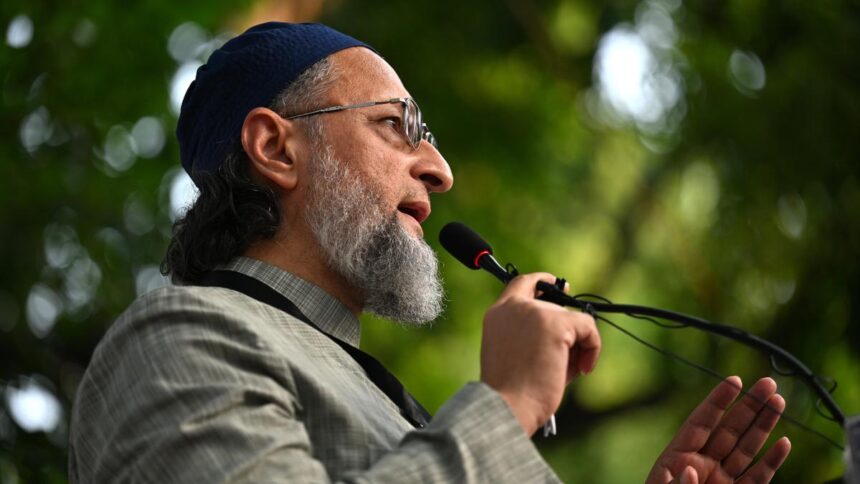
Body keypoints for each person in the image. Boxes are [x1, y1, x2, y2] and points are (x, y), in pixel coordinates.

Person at [68, 22, 791, 483]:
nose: (440, 170)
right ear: (275, 148)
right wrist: (507, 405)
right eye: (396, 124)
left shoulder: (403, 409)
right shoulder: (175, 339)